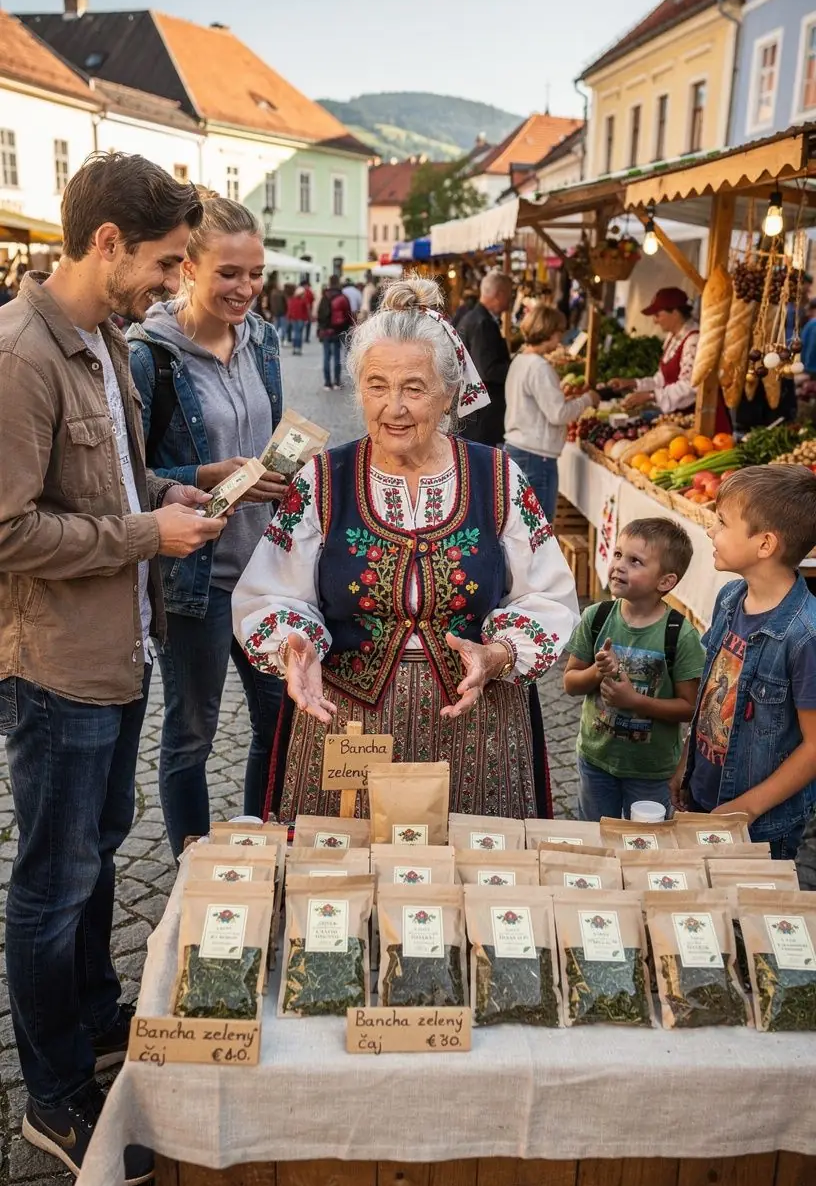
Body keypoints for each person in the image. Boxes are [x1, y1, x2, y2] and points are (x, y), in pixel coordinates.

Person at [0, 152, 226, 1182]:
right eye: (169, 261)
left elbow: (119, 482)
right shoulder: (21, 354)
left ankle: (95, 1019)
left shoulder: (101, 338)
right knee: (52, 885)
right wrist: (145, 535)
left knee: (97, 848)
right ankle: (54, 1098)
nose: (174, 282)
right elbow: (7, 533)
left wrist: (192, 486)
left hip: (117, 648)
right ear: (105, 242)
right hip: (54, 666)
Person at [233, 276, 579, 822]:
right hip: (346, 720)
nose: (393, 407)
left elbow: (550, 595)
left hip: (475, 719)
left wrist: (501, 653)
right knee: (343, 889)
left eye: (414, 388)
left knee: (473, 884)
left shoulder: (497, 477)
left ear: (448, 395)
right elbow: (271, 591)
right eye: (376, 386)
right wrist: (295, 644)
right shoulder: (324, 479)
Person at [129, 192, 286, 858]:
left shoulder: (266, 342)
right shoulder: (148, 357)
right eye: (229, 273)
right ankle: (193, 864)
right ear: (188, 268)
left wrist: (283, 474)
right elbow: (128, 475)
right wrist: (203, 476)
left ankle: (260, 850)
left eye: (254, 273)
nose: (246, 288)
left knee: (278, 723)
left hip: (265, 572)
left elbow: (272, 438)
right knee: (191, 733)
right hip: (195, 580)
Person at [671, 466, 816, 869]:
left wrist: (746, 809)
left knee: (744, 920)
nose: (710, 531)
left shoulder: (804, 636)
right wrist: (686, 763)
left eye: (722, 523)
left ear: (765, 544)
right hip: (703, 794)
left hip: (758, 824)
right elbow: (711, 697)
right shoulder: (731, 597)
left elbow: (814, 747)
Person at [564, 519, 704, 820]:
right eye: (617, 555)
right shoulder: (596, 617)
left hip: (651, 772)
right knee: (596, 835)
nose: (619, 566)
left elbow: (690, 708)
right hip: (596, 760)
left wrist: (636, 702)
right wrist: (597, 672)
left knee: (646, 842)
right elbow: (571, 683)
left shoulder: (680, 634)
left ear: (665, 582)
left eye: (635, 561)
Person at [503, 303, 600, 523]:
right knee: (538, 531)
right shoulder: (539, 367)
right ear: (548, 332)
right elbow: (558, 414)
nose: (560, 339)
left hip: (519, 449)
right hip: (536, 457)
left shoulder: (520, 360)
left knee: (520, 527)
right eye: (559, 333)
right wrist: (587, 399)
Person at [609, 286, 731, 434]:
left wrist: (651, 396)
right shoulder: (673, 338)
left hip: (703, 422)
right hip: (682, 421)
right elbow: (661, 379)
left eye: (657, 314)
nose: (655, 321)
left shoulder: (693, 340)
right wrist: (632, 383)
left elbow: (691, 386)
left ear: (674, 312)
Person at [456, 270, 514, 446]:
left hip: (474, 411)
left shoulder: (474, 318)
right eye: (510, 294)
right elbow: (488, 370)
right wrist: (517, 368)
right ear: (499, 294)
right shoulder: (483, 323)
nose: (511, 299)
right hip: (482, 415)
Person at [317, 274, 354, 390]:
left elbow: (320, 314)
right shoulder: (343, 297)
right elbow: (348, 314)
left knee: (326, 357)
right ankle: (337, 382)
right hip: (338, 330)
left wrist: (321, 328)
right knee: (337, 356)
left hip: (326, 331)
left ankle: (327, 383)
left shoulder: (325, 296)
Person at [286, 283, 309, 355]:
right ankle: (298, 349)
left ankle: (295, 349)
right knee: (299, 334)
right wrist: (306, 319)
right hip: (301, 319)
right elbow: (306, 311)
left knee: (295, 334)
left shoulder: (292, 300)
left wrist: (289, 317)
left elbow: (289, 309)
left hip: (293, 319)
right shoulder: (303, 301)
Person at [300, 277, 315, 343]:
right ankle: (306, 338)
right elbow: (312, 300)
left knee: (303, 325)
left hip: (303, 311)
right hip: (306, 311)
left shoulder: (300, 292)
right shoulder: (309, 291)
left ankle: (303, 337)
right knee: (307, 325)